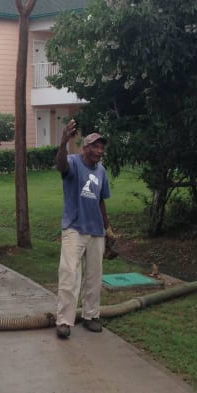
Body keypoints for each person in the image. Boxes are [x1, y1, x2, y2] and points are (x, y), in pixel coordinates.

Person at [55, 119, 112, 339]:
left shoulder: (102, 171)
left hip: (96, 230)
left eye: (102, 147)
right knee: (69, 274)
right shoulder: (73, 162)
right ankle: (64, 321)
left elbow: (101, 200)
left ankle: (91, 315)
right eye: (95, 147)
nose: (100, 151)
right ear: (85, 148)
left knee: (94, 276)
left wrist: (108, 228)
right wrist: (63, 142)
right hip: (74, 227)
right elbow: (61, 165)